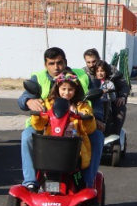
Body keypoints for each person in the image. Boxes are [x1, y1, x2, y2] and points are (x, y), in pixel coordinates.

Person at [18, 47, 98, 190]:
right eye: (51, 63)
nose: (56, 67)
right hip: (45, 125)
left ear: (65, 62)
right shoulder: (39, 77)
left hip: (78, 125)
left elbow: (96, 100)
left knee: (97, 136)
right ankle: (30, 182)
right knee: (27, 136)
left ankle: (87, 182)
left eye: (59, 62)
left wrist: (96, 117)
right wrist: (28, 102)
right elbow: (24, 96)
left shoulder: (81, 76)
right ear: (45, 65)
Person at [29, 74, 98, 185]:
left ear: (76, 90)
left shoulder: (82, 106)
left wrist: (85, 117)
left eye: (70, 89)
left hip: (73, 148)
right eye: (63, 89)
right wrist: (38, 115)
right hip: (50, 145)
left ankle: (84, 186)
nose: (66, 93)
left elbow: (89, 129)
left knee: (80, 183)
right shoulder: (48, 104)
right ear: (57, 88)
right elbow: (39, 126)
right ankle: (35, 185)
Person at [84, 48, 130, 129]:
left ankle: (116, 135)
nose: (91, 65)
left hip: (110, 100)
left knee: (119, 108)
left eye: (94, 61)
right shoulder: (83, 73)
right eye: (88, 62)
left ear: (99, 59)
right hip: (90, 101)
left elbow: (124, 86)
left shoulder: (112, 69)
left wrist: (122, 97)